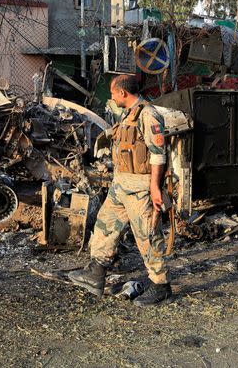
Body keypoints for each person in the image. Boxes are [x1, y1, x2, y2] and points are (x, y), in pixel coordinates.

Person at [68, 74, 172, 306]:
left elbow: (158, 155)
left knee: (147, 235)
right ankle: (96, 274)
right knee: (104, 226)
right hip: (121, 184)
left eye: (113, 93)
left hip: (140, 187)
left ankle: (161, 285)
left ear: (123, 93)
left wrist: (155, 187)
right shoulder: (128, 114)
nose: (112, 97)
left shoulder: (149, 115)